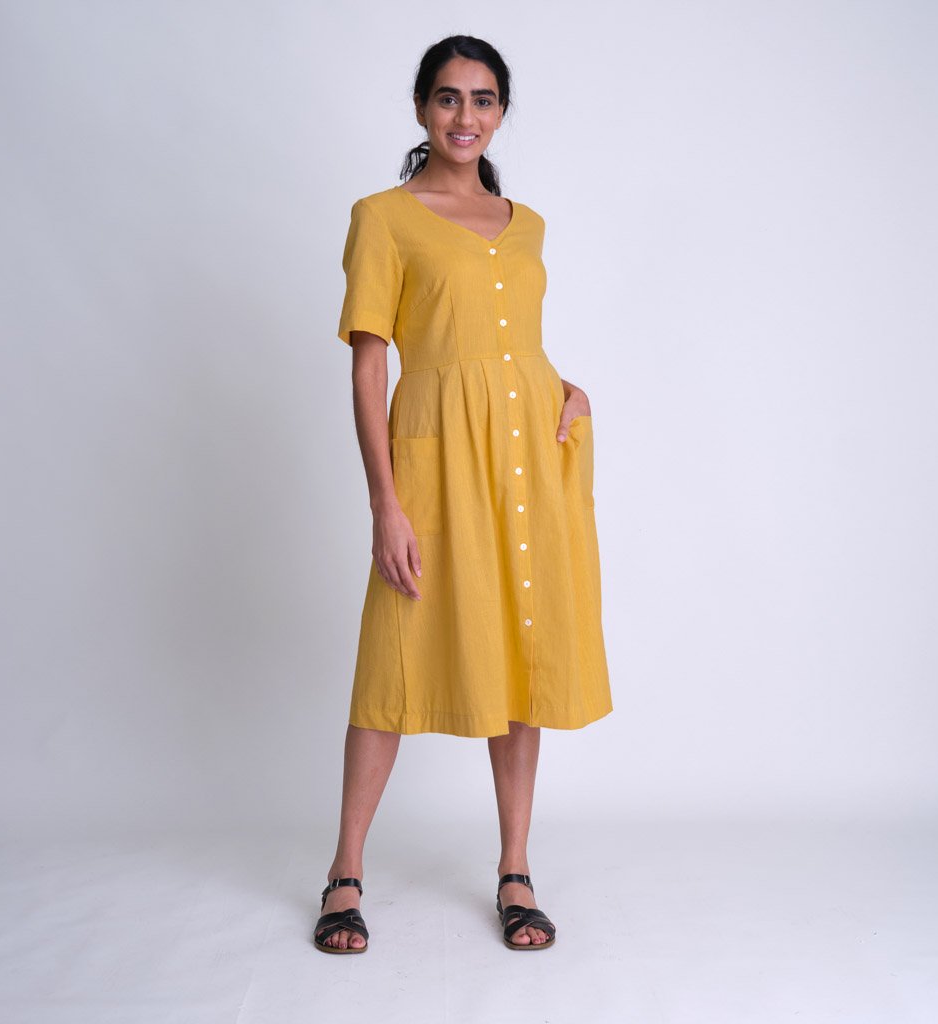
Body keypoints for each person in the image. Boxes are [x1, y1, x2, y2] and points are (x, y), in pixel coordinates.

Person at [314, 34, 613, 954]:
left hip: (531, 461)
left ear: (501, 113)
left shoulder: (528, 225)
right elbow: (371, 367)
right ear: (421, 108)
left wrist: (566, 388)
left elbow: (514, 342)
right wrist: (385, 504)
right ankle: (344, 872)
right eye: (448, 98)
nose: (465, 116)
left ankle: (515, 868)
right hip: (436, 465)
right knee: (391, 662)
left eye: (483, 100)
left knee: (521, 655)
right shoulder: (383, 217)